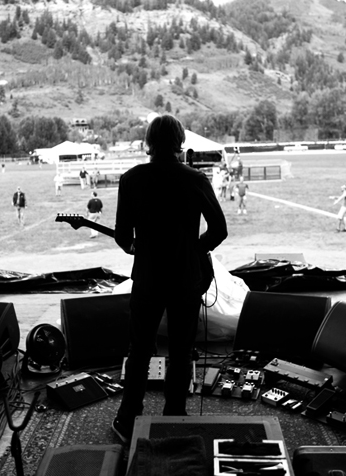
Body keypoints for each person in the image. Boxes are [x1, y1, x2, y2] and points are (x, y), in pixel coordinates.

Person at [111, 114, 228, 444]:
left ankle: (128, 415)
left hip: (147, 278)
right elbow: (219, 230)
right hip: (185, 280)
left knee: (139, 350)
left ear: (148, 142)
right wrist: (194, 250)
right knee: (181, 350)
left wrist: (138, 246)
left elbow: (122, 235)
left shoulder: (131, 179)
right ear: (180, 142)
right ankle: (174, 412)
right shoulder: (196, 179)